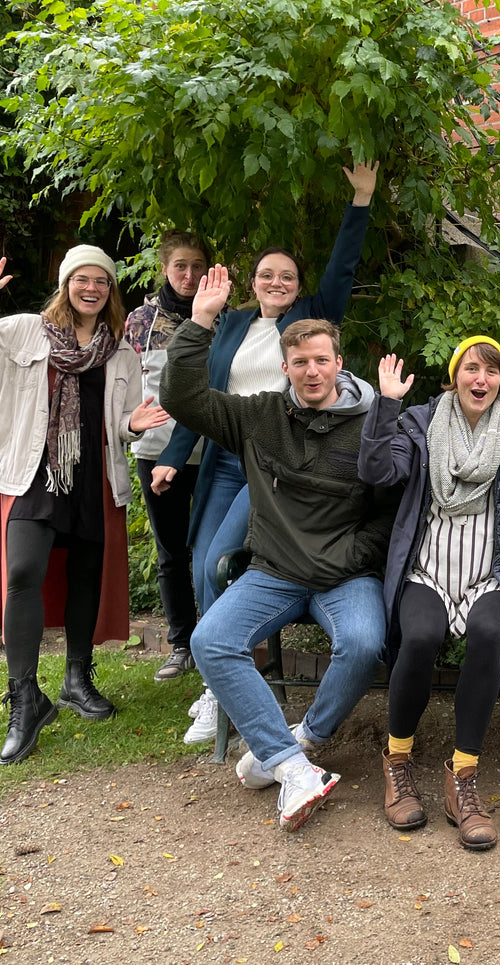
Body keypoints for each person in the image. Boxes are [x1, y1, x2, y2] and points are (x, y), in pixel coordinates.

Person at [161, 265, 396, 832]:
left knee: (365, 642)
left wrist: (348, 557)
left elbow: (391, 513)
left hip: (346, 575)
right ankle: (292, 768)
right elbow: (182, 397)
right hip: (275, 572)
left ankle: (306, 737)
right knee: (211, 640)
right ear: (285, 368)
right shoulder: (259, 416)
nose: (311, 371)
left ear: (339, 364)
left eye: (321, 360)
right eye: (299, 363)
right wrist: (199, 323)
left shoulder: (375, 422)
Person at [164, 161, 379, 746]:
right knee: (205, 561)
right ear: (251, 282)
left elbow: (342, 267)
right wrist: (171, 454)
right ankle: (220, 683)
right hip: (231, 454)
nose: (278, 283)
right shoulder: (231, 326)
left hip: (278, 462)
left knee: (225, 562)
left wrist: (359, 200)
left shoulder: (311, 322)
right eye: (267, 275)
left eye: (287, 276)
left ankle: (235, 688)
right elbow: (199, 394)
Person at [0, 247, 169, 765]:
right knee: (22, 573)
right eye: (82, 280)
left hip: (92, 477)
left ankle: (76, 679)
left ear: (111, 291)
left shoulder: (120, 353)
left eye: (102, 282)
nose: (92, 289)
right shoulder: (23, 330)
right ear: (66, 285)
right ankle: (24, 699)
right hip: (31, 473)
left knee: (86, 576)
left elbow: (127, 416)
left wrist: (131, 426)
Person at [356, 337, 500, 849]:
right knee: (419, 636)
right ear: (454, 375)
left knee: (487, 632)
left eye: (491, 371)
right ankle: (396, 762)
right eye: (471, 368)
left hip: (491, 573)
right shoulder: (418, 424)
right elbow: (376, 470)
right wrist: (386, 404)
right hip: (427, 569)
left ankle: (462, 777)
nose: (481, 379)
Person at [123, 231, 211, 682]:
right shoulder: (139, 321)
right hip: (157, 453)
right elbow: (123, 386)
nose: (189, 275)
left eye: (197, 266)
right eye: (180, 266)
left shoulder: (224, 320)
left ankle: (216, 639)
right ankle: (181, 643)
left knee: (215, 552)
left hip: (215, 452)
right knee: (171, 552)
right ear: (163, 267)